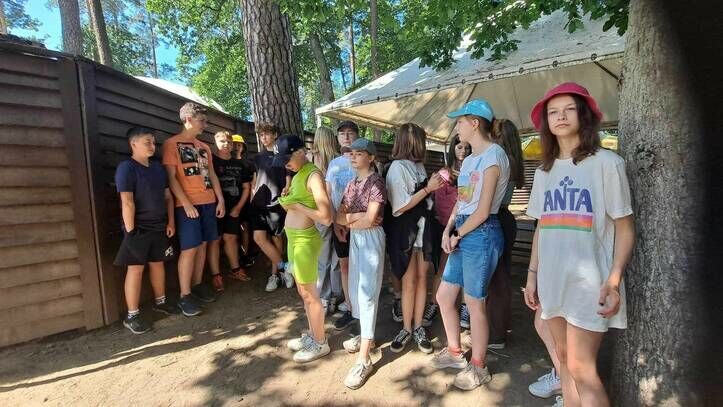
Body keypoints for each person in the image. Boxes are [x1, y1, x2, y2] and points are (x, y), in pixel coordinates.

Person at [524, 82, 635, 407]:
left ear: (584, 115)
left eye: (569, 109)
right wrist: (532, 275)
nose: (560, 116)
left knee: (581, 367)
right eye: (553, 112)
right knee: (562, 358)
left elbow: (625, 227)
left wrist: (613, 280)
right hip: (552, 280)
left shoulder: (607, 163)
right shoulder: (544, 172)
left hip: (591, 283)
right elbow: (542, 228)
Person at [430, 98, 510, 391]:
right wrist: (448, 229)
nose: (457, 128)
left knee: (475, 302)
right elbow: (462, 201)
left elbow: (484, 209)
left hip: (482, 232)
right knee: (444, 296)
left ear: (475, 123)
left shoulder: (494, 155)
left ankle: (479, 366)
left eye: (460, 122)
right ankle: (455, 353)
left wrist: (457, 233)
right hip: (464, 230)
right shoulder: (470, 159)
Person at [384, 123, 444, 355]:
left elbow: (424, 199)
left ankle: (418, 326)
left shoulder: (418, 166)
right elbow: (400, 206)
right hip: (406, 232)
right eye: (419, 141)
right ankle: (406, 328)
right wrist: (428, 189)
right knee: (409, 281)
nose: (421, 145)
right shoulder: (397, 168)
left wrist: (433, 186)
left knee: (422, 279)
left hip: (423, 231)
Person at [114, 127, 179, 333]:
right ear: (133, 144)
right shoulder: (126, 168)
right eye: (147, 142)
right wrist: (131, 231)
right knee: (135, 269)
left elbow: (168, 197)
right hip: (138, 229)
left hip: (160, 226)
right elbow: (127, 202)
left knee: (158, 264)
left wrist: (171, 222)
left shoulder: (158, 168)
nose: (152, 146)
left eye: (153, 142)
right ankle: (132, 315)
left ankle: (161, 302)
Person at [162, 103, 224, 316]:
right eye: (201, 121)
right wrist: (186, 203)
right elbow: (171, 178)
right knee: (190, 248)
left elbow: (212, 175)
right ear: (188, 119)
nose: (205, 125)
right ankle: (184, 294)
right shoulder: (171, 144)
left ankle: (197, 284)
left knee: (204, 244)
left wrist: (220, 200)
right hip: (187, 205)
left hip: (209, 202)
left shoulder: (204, 147)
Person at [275, 135, 333, 363]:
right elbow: (298, 205)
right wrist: (288, 200)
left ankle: (320, 342)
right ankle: (313, 334)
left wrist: (296, 206)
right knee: (304, 293)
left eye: (287, 159)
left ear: (300, 152)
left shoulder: (313, 175)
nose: (285, 165)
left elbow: (326, 217)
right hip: (294, 240)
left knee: (310, 295)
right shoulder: (298, 174)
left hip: (305, 241)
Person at [335, 138, 387, 389]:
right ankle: (368, 337)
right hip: (357, 236)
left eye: (359, 153)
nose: (353, 157)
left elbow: (372, 220)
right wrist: (357, 217)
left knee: (367, 294)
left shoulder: (376, 182)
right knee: (357, 290)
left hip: (371, 239)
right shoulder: (351, 183)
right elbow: (338, 216)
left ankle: (364, 359)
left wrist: (350, 218)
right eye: (351, 153)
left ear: (371, 157)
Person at [485, 119, 525, 349]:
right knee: (501, 277)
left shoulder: (500, 160)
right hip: (505, 218)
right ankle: (499, 327)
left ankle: (496, 334)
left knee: (496, 280)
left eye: (492, 134)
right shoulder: (513, 160)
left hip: (496, 217)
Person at [431, 135, 471, 329]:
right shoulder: (444, 173)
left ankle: (464, 307)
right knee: (443, 268)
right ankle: (433, 304)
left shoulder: (473, 171)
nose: (463, 151)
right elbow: (441, 204)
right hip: (447, 226)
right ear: (453, 148)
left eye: (466, 147)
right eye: (459, 147)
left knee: (465, 269)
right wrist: (448, 229)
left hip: (467, 226)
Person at [249, 123, 292, 292]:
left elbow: (289, 177)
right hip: (258, 204)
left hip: (276, 204)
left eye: (267, 134)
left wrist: (286, 191)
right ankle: (284, 268)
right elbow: (254, 181)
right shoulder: (257, 158)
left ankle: (274, 275)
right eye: (261, 135)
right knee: (259, 238)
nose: (264, 137)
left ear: (275, 135)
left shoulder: (283, 156)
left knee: (276, 239)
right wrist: (251, 198)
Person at [325, 121, 360, 330]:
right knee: (344, 265)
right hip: (339, 224)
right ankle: (349, 306)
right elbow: (328, 195)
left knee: (360, 266)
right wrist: (334, 221)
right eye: (342, 134)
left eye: (350, 133)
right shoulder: (334, 164)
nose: (346, 137)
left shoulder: (363, 160)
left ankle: (362, 309)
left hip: (360, 223)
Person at [207, 131, 251, 290]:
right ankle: (216, 275)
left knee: (231, 238)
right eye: (222, 141)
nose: (226, 144)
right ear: (215, 142)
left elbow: (246, 187)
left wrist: (238, 208)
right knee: (215, 240)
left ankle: (235, 270)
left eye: (229, 142)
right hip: (214, 207)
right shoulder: (211, 161)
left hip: (234, 208)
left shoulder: (240, 164)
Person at [311, 126, 343, 315]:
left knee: (322, 255)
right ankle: (336, 295)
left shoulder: (311, 159)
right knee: (337, 255)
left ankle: (323, 296)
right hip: (339, 211)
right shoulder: (339, 159)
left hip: (320, 212)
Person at [232, 134, 256, 269]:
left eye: (239, 145)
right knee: (233, 232)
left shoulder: (248, 164)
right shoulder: (226, 162)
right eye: (234, 144)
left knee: (245, 228)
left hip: (246, 201)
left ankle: (245, 255)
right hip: (230, 200)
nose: (236, 147)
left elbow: (253, 183)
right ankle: (235, 256)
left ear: (243, 147)